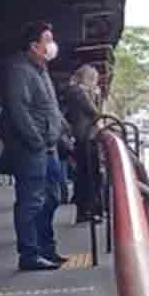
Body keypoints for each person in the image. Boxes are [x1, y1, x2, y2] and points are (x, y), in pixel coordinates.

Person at [0, 21, 67, 271]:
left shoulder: (41, 69)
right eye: (47, 40)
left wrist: (62, 132)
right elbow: (19, 110)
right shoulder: (19, 70)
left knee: (52, 196)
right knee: (31, 201)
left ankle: (46, 247)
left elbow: (50, 106)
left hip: (49, 147)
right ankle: (29, 254)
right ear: (34, 46)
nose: (52, 45)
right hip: (32, 148)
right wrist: (37, 140)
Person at [63, 64, 102, 223]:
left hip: (84, 136)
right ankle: (87, 209)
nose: (95, 82)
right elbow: (94, 112)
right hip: (85, 136)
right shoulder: (78, 92)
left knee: (87, 174)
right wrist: (95, 96)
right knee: (89, 175)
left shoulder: (75, 91)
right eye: (93, 78)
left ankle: (88, 208)